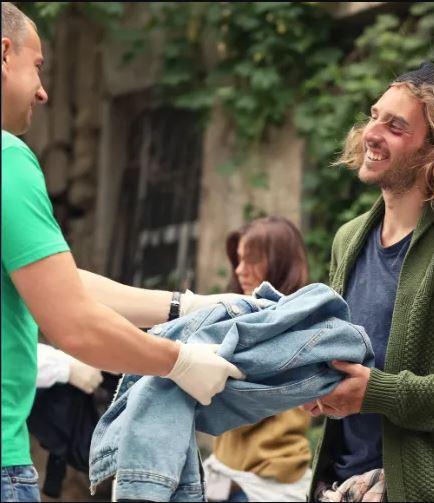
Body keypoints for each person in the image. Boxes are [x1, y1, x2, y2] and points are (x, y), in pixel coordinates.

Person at [1, 4, 257, 502]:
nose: (43, 90)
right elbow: (73, 323)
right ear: (4, 54)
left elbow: (55, 282)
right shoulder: (8, 160)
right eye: (38, 66)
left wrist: (185, 306)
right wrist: (178, 360)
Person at [302, 62, 434, 502]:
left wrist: (379, 392)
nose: (371, 133)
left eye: (395, 126)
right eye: (374, 116)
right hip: (337, 487)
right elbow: (344, 357)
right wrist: (315, 384)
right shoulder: (348, 239)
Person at [204, 216, 313, 502]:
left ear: (280, 262)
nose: (240, 270)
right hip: (226, 474)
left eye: (251, 259)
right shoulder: (243, 318)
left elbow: (236, 402)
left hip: (269, 481)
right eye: (238, 260)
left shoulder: (295, 324)